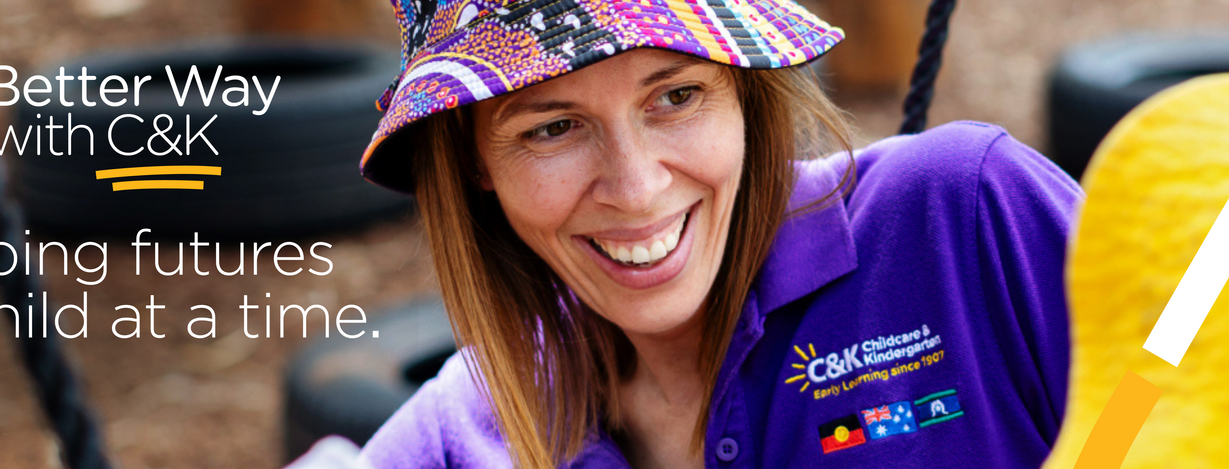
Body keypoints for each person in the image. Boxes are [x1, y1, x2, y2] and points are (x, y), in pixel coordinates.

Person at [354, 1, 1079, 468]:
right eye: (553, 127)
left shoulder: (964, 213)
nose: (637, 189)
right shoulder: (473, 426)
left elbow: (1181, 342)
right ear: (475, 162)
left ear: (745, 92)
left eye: (676, 95)